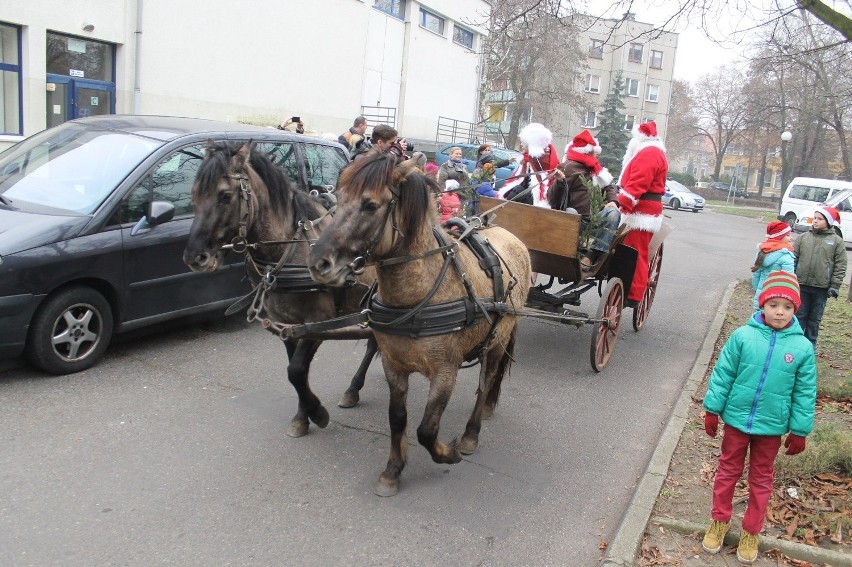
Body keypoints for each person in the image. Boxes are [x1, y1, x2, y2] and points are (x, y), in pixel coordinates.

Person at [701, 271, 816, 564]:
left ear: (795, 310)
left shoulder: (802, 348)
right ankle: (720, 520)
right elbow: (723, 374)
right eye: (774, 304)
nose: (780, 312)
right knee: (727, 471)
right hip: (737, 422)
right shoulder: (743, 336)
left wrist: (800, 430)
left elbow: (805, 392)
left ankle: (751, 530)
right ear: (762, 305)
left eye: (787, 307)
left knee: (761, 479)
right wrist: (712, 409)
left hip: (771, 428)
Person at [548, 129, 620, 269]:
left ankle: (591, 255)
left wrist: (613, 201)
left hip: (597, 221)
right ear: (587, 151)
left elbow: (609, 187)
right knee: (570, 213)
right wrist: (560, 183)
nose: (596, 155)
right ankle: (568, 253)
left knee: (614, 214)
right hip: (578, 220)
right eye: (594, 152)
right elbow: (552, 200)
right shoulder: (568, 167)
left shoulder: (597, 169)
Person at [616, 121, 668, 307]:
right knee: (631, 250)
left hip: (641, 211)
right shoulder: (649, 151)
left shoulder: (650, 153)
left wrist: (622, 203)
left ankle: (633, 295)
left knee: (635, 252)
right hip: (641, 208)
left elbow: (638, 183)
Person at [793, 205, 847, 347]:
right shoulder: (803, 237)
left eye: (820, 219)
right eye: (814, 218)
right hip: (801, 284)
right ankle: (796, 343)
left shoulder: (836, 241)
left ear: (828, 221)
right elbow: (794, 258)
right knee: (800, 316)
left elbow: (840, 265)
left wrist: (835, 285)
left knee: (814, 319)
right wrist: (791, 277)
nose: (815, 221)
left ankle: (810, 344)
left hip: (821, 288)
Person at [499, 123, 559, 208]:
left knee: (516, 192)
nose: (521, 144)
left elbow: (546, 192)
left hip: (535, 209)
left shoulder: (542, 163)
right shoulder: (527, 160)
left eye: (523, 142)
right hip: (524, 206)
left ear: (532, 143)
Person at [750, 221, 795, 311]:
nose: (791, 238)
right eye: (788, 235)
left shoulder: (762, 251)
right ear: (779, 237)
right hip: (777, 297)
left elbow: (756, 274)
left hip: (761, 292)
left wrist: (757, 289)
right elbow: (788, 280)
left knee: (759, 318)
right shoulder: (786, 256)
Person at [437, 146, 474, 215]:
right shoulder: (445, 166)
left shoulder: (464, 166)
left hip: (462, 195)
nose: (459, 155)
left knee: (460, 214)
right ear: (451, 155)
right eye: (456, 153)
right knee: (450, 214)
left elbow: (466, 180)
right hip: (450, 195)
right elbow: (441, 181)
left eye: (460, 154)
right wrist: (440, 194)